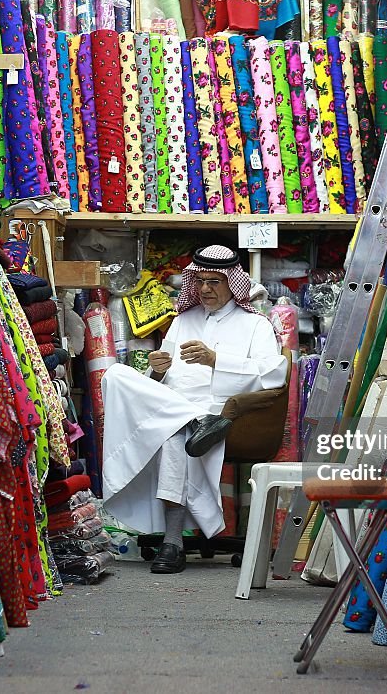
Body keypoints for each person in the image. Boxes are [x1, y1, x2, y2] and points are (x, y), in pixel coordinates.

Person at [100, 245, 288, 574]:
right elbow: (162, 376)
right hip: (173, 401)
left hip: (219, 410)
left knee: (176, 430)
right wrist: (157, 368)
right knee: (116, 375)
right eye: (199, 281)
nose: (204, 289)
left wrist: (217, 360)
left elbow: (272, 375)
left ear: (233, 283)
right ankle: (185, 422)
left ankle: (172, 541)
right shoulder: (184, 320)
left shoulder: (254, 325)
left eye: (214, 282)